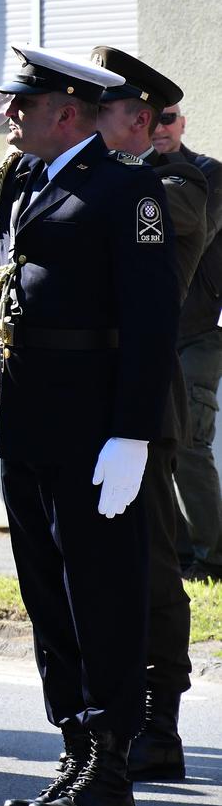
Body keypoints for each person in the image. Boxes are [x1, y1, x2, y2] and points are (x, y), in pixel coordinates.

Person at [0, 45, 177, 806]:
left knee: (98, 593)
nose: (9, 118)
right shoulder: (20, 182)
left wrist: (132, 433)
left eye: (19, 107)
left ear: (66, 111)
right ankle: (73, 748)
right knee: (46, 595)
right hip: (23, 420)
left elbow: (150, 322)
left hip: (93, 424)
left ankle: (110, 770)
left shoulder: (126, 191)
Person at [91, 46, 205, 784]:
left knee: (149, 560)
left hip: (142, 397)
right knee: (95, 565)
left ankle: (159, 716)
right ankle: (109, 712)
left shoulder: (180, 185)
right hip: (80, 393)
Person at [153, 103, 222, 579]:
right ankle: (177, 554)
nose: (160, 127)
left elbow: (197, 228)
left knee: (192, 443)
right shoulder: (127, 171)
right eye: (151, 118)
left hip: (198, 334)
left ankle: (214, 558)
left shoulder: (207, 174)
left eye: (170, 117)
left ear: (183, 123)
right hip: (149, 333)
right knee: (153, 444)